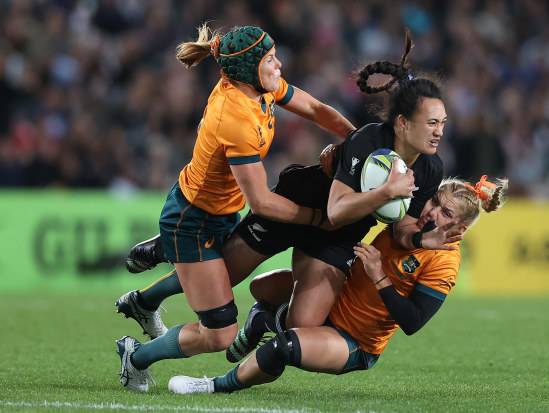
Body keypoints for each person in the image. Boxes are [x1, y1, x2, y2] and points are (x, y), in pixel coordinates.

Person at [118, 28, 460, 367]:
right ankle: (161, 262)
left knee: (304, 324)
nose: (440, 131)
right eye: (432, 122)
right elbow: (324, 209)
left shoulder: (427, 168)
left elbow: (314, 108)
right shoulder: (238, 117)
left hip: (333, 233)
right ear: (403, 123)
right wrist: (375, 180)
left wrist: (420, 237)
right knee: (222, 276)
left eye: (442, 122)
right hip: (295, 205)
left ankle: (262, 320)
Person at [115, 23, 355, 392]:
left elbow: (317, 109)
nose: (279, 65)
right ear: (248, 70)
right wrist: (318, 219)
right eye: (271, 59)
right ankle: (135, 356)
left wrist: (359, 143)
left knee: (220, 277)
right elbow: (263, 202)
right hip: (192, 220)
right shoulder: (236, 119)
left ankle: (150, 282)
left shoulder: (260, 85)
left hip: (221, 211)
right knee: (220, 333)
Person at [166, 175, 509, 394]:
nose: (432, 212)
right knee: (260, 288)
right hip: (335, 299)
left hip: (353, 340)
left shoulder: (445, 262)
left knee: (283, 348)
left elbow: (413, 322)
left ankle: (213, 386)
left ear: (460, 230)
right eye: (435, 202)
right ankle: (264, 320)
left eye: (446, 214)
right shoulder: (407, 218)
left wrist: (379, 276)